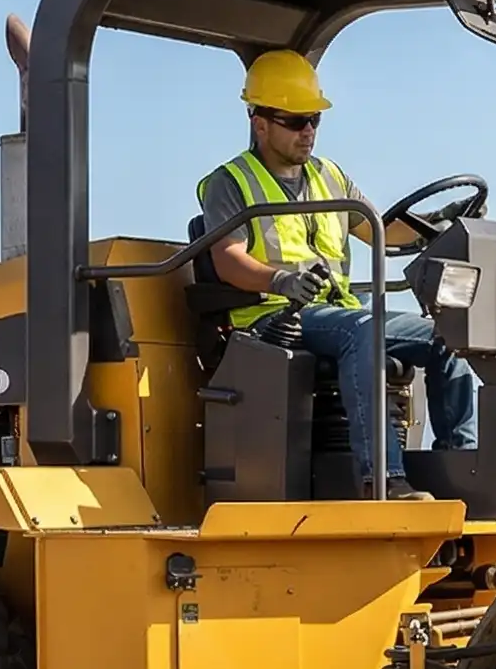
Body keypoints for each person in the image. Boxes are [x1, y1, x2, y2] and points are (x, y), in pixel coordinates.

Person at [198, 51, 478, 500]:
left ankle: (461, 469)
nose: (308, 130)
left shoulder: (331, 177)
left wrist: (441, 222)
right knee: (362, 332)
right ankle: (383, 480)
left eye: (314, 119)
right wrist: (280, 280)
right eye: (295, 120)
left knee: (452, 332)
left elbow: (382, 231)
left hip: (338, 311)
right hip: (273, 316)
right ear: (260, 121)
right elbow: (228, 259)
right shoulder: (230, 183)